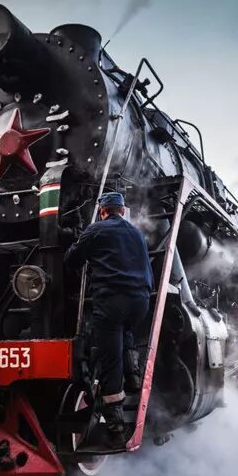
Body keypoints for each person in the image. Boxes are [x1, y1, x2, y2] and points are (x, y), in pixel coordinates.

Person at [64, 191, 153, 449]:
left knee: (109, 360)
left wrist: (76, 236)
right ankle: (134, 375)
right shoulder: (137, 233)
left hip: (112, 299)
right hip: (141, 301)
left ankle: (115, 426)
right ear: (122, 211)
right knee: (125, 330)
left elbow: (72, 259)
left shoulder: (96, 230)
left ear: (102, 211)